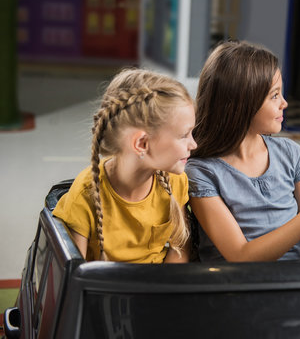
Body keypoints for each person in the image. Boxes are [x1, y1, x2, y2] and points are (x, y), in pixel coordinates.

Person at [186, 40, 300, 262]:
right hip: (237, 288)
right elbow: (240, 256)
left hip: (298, 281)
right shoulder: (201, 172)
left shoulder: (291, 154)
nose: (284, 103)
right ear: (242, 103)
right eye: (274, 95)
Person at [53, 68, 197, 263]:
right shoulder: (84, 196)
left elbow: (179, 250)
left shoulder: (176, 182)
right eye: (184, 135)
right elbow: (73, 277)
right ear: (142, 144)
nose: (194, 144)